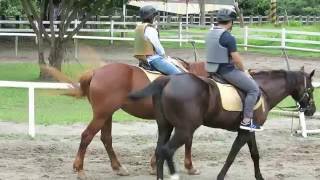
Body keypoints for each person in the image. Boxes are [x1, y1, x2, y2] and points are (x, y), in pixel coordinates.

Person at [205, 8, 263, 131]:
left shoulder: (210, 33)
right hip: (226, 71)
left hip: (211, 70)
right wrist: (244, 71)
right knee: (253, 89)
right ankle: (247, 121)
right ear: (230, 22)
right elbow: (236, 59)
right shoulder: (228, 37)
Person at [134, 5, 182, 75]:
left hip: (142, 60)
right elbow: (158, 46)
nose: (155, 18)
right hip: (154, 60)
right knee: (179, 75)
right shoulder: (150, 29)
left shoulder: (139, 28)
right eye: (154, 16)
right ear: (151, 17)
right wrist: (163, 55)